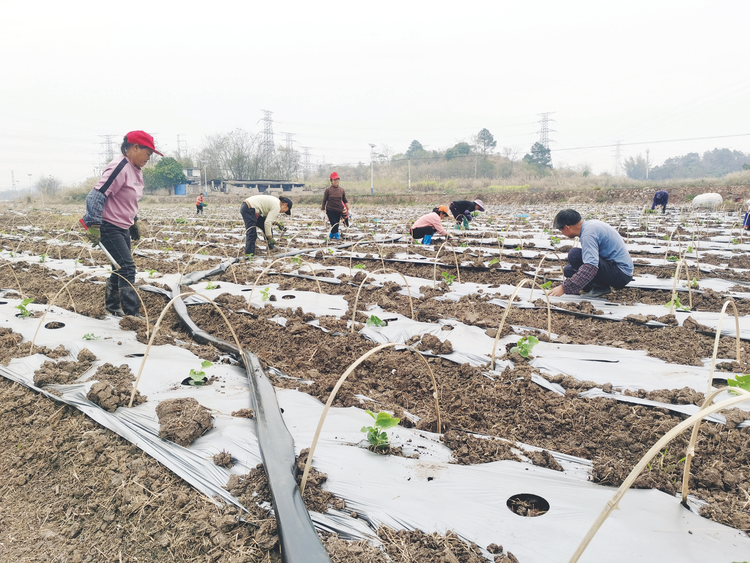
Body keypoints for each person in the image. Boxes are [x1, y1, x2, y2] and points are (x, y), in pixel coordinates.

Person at [82, 130, 162, 317]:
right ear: (134, 147)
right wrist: (94, 224)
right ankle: (131, 315)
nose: (149, 158)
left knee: (119, 268)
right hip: (109, 226)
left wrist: (133, 222)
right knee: (126, 268)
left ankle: (112, 307)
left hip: (122, 226)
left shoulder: (135, 170)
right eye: (148, 153)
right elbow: (96, 194)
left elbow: (126, 200)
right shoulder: (119, 167)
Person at [549, 209, 634, 299]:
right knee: (568, 270)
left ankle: (600, 288)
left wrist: (564, 288)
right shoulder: (589, 226)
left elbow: (591, 266)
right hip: (617, 270)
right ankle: (597, 286)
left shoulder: (588, 234)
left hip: (620, 273)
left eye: (561, 230)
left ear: (567, 227)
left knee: (574, 254)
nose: (562, 233)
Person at [321, 172, 348, 239]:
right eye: (334, 180)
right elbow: (324, 200)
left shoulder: (341, 190)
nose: (336, 181)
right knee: (334, 224)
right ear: (331, 181)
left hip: (339, 210)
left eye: (337, 179)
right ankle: (337, 237)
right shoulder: (328, 190)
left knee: (336, 224)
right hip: (330, 210)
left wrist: (348, 209)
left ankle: (331, 235)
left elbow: (345, 200)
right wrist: (322, 208)